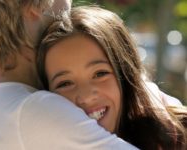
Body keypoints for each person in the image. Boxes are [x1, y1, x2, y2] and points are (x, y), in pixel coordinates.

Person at [0, 1, 140, 150]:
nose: (70, 4)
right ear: (35, 7)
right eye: (64, 83)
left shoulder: (9, 101)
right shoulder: (36, 110)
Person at [37, 6, 187, 150]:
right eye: (65, 83)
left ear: (125, 74)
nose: (86, 96)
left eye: (100, 74)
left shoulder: (178, 135)